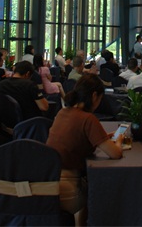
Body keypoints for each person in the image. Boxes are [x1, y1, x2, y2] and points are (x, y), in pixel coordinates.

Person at [46, 74, 123, 218]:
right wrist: (119, 140)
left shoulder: (62, 112)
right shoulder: (88, 119)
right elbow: (115, 154)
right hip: (70, 188)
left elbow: (77, 138)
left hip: (49, 180)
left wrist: (104, 137)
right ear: (94, 96)